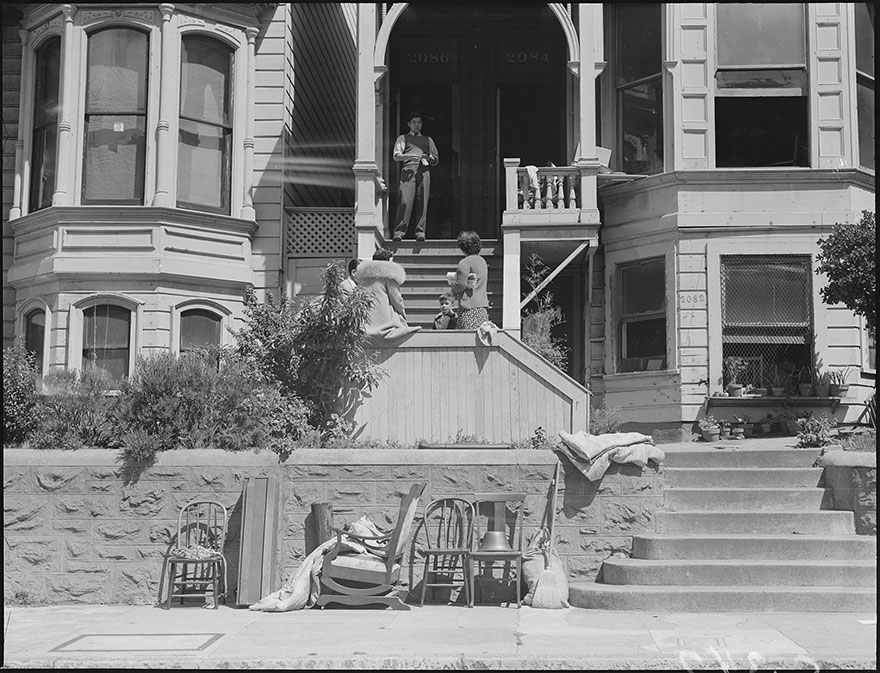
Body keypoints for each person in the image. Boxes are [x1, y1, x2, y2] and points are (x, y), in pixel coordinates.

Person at [392, 112, 438, 242]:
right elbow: (396, 156)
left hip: (424, 171)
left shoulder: (428, 140)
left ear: (422, 124)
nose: (416, 125)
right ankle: (399, 232)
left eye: (419, 122)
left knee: (422, 201)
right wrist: (409, 156)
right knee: (405, 201)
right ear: (409, 124)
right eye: (414, 122)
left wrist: (429, 157)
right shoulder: (403, 138)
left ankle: (420, 232)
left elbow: (435, 159)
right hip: (408, 171)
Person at [356, 248, 420, 340]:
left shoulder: (363, 277)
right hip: (385, 320)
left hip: (366, 321)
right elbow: (397, 299)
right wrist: (403, 314)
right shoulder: (389, 275)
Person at [449, 230, 489, 330]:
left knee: (467, 339)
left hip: (468, 308)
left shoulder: (464, 263)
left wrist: (452, 284)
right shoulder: (482, 261)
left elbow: (460, 285)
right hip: (482, 306)